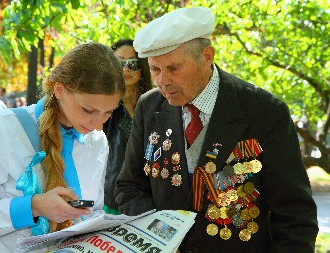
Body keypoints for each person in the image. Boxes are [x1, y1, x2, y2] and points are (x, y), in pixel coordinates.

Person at [114, 7, 318, 253]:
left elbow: (295, 215)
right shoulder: (149, 106)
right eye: (155, 69)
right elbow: (129, 186)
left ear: (207, 56)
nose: (163, 81)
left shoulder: (264, 111)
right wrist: (161, 235)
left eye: (174, 68)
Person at [0, 42, 125, 252]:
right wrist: (33, 206)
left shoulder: (96, 141)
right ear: (60, 90)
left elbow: (92, 211)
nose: (98, 125)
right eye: (88, 110)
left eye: (108, 113)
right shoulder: (4, 128)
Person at [103, 39, 152, 214]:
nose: (125, 69)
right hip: (110, 199)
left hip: (148, 197)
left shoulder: (155, 106)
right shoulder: (103, 107)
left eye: (132, 64)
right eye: (119, 63)